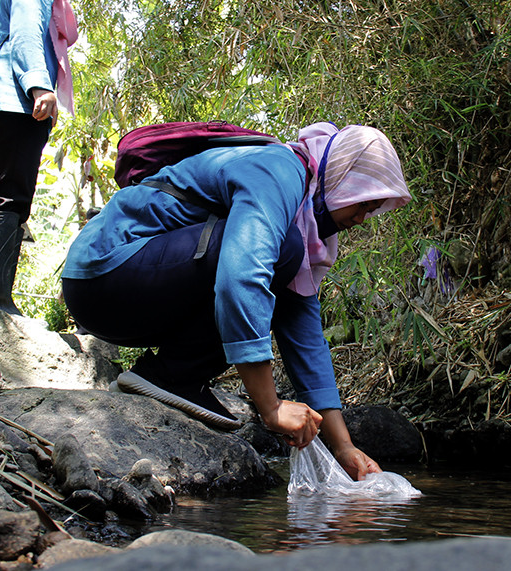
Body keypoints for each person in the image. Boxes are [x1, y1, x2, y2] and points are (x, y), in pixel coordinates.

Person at [61, 122, 411, 480]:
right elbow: (242, 273)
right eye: (362, 202)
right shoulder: (280, 169)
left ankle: (170, 377)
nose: (361, 218)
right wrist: (271, 407)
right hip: (104, 275)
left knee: (285, 254)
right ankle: (173, 373)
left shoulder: (305, 215)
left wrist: (343, 446)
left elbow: (302, 331)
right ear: (343, 177)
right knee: (282, 250)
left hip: (128, 291)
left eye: (372, 209)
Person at [0, 0, 118, 315]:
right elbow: (27, 34)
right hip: (11, 99)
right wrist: (39, 85)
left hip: (5, 102)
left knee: (10, 193)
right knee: (9, 196)